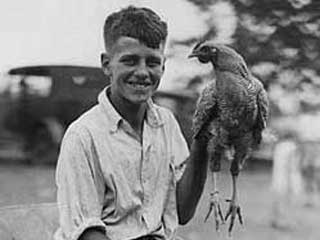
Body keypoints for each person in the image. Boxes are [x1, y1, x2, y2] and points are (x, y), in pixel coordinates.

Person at [54, 6, 210, 240]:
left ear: (163, 66)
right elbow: (87, 233)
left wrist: (203, 141)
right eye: (130, 61)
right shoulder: (83, 135)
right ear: (107, 64)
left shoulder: (166, 123)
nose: (142, 72)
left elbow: (183, 211)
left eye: (152, 62)